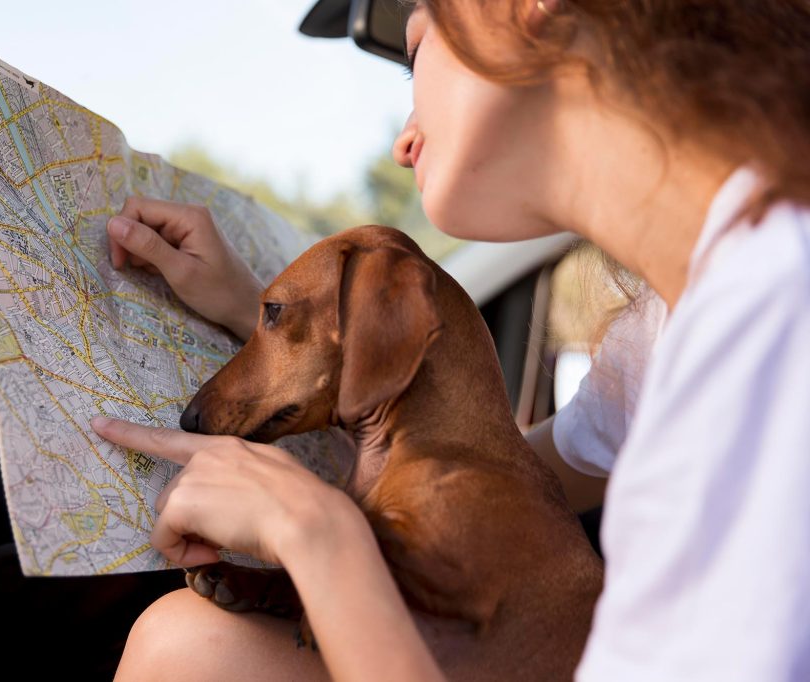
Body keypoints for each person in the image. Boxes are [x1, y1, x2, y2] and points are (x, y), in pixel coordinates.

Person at [90, 0, 810, 678]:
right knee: (190, 643)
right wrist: (271, 310)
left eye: (416, 51)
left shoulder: (773, 314)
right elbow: (475, 471)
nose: (403, 140)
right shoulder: (671, 331)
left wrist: (317, 534)